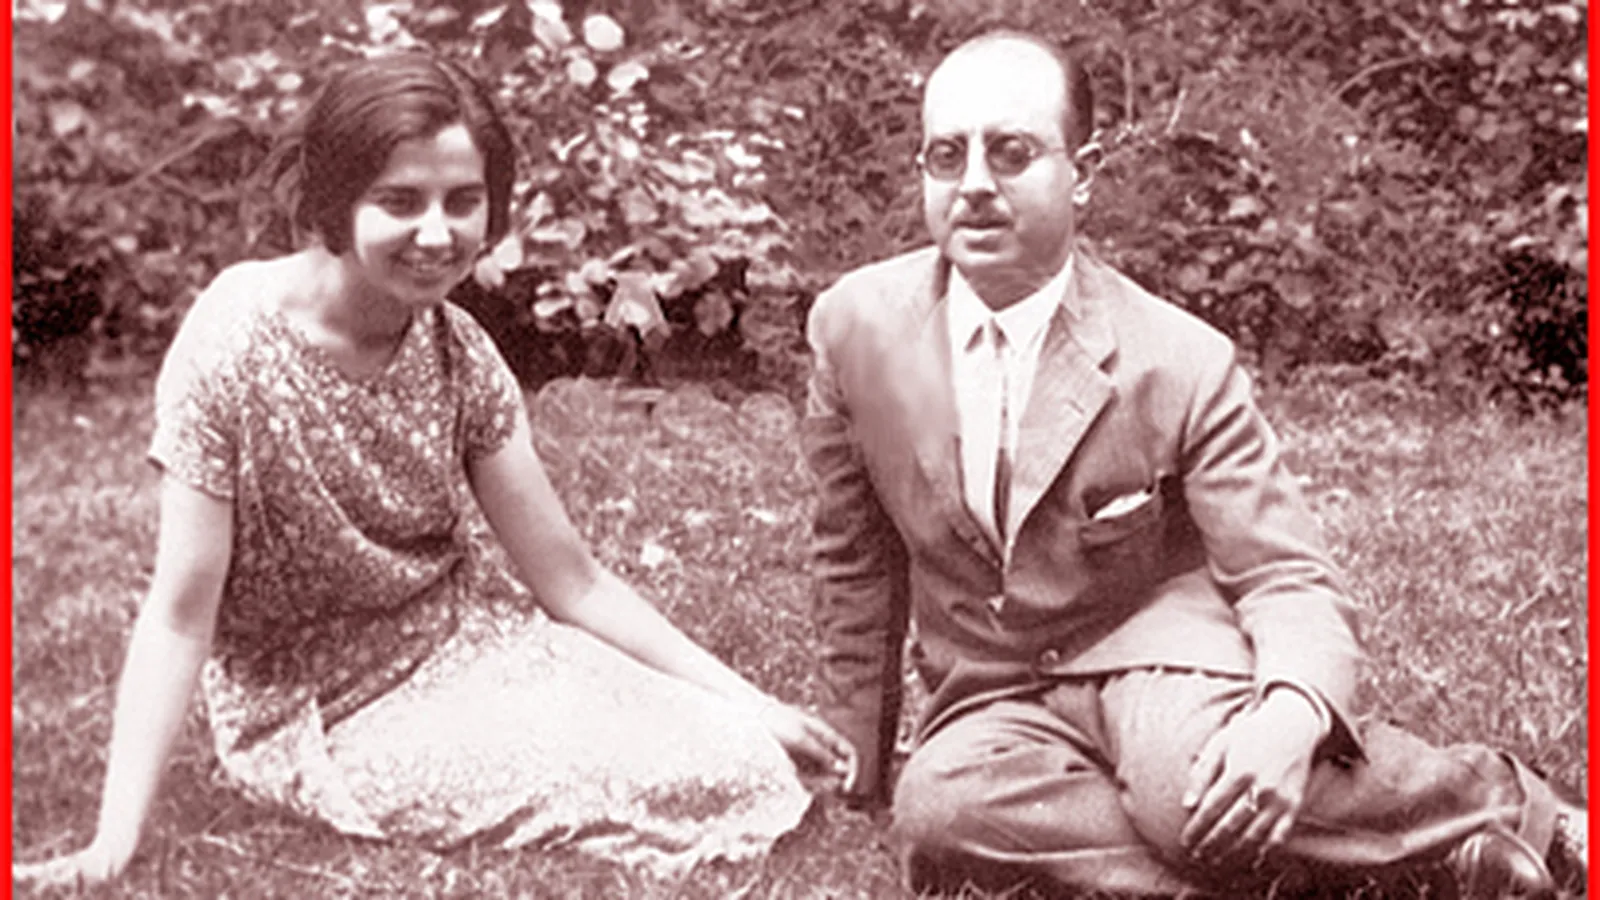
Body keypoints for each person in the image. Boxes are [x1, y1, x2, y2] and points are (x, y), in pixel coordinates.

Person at [13, 52, 852, 889]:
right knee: (684, 774)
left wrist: (750, 702)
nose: (437, 233)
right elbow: (179, 616)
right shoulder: (229, 342)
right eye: (400, 201)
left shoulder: (461, 352)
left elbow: (573, 582)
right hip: (321, 714)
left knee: (740, 748)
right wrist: (113, 841)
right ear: (335, 200)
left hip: (470, 649)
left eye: (463, 201)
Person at [801, 29, 1586, 898]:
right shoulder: (857, 328)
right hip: (996, 697)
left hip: (1159, 656)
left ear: (1082, 173)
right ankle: (1416, 863)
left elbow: (1286, 573)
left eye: (1012, 152)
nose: (975, 183)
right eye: (946, 156)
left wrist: (1291, 715)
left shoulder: (1176, 357)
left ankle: (1507, 809)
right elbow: (855, 565)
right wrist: (856, 770)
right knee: (940, 815)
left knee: (1189, 793)